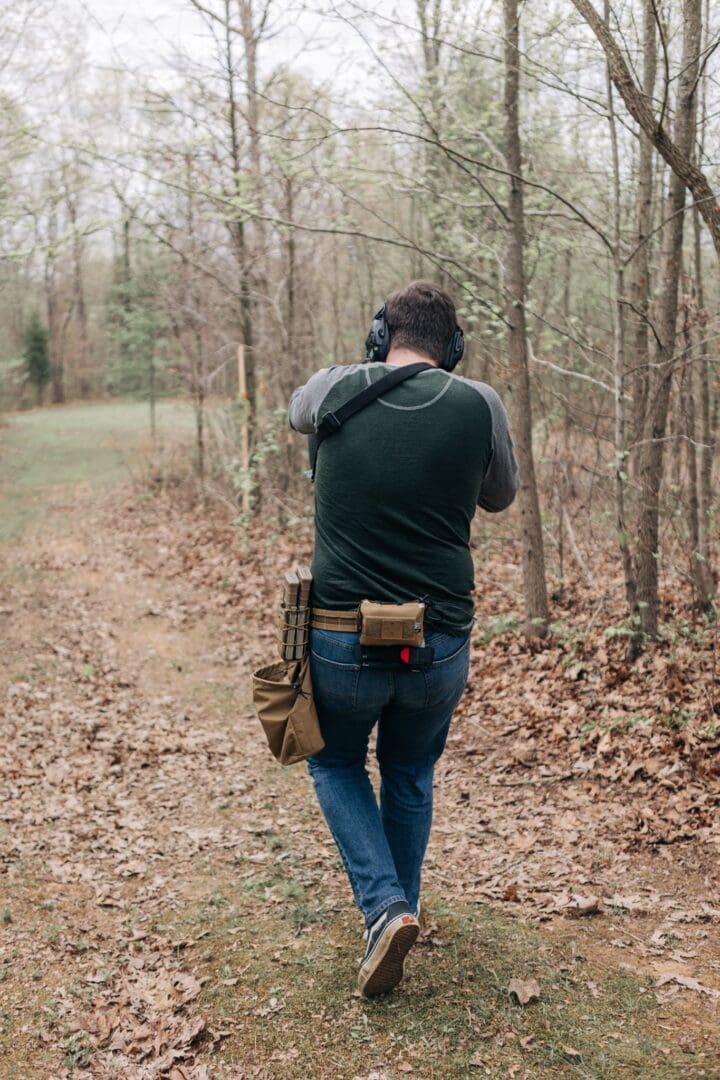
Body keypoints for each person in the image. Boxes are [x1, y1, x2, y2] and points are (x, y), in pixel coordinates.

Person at [288, 280, 518, 997]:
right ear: (452, 347)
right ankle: (395, 912)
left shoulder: (335, 387)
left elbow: (297, 411)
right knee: (411, 773)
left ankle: (385, 910)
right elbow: (500, 496)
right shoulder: (480, 403)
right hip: (439, 641)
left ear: (379, 336)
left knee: (334, 765)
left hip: (339, 639)